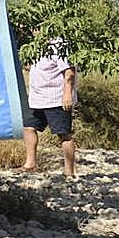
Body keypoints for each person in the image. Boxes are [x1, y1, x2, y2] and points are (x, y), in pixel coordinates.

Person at [20, 37, 78, 177]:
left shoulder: (59, 44)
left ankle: (69, 172)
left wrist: (67, 95)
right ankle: (30, 164)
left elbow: (69, 71)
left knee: (64, 134)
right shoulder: (33, 44)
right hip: (37, 98)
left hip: (56, 98)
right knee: (29, 127)